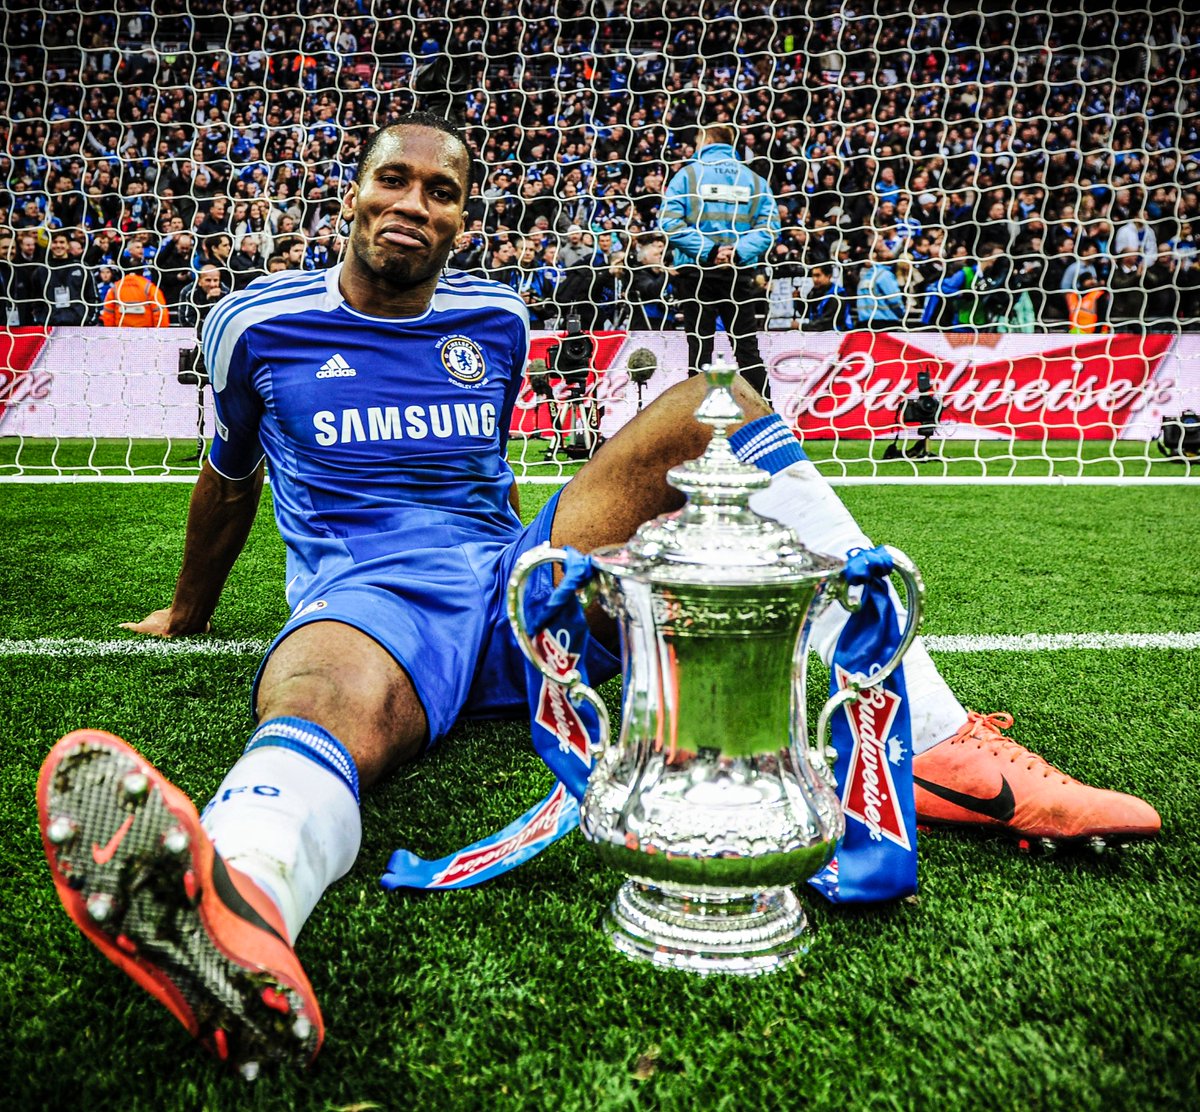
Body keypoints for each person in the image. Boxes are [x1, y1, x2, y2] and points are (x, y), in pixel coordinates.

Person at [38, 115, 1160, 1078]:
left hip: (521, 585)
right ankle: (243, 903)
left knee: (717, 399)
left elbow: (497, 482)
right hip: (371, 600)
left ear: (463, 219)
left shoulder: (495, 320)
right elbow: (228, 475)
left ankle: (935, 737)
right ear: (353, 193)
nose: (414, 203)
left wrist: (583, 552)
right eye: (394, 179)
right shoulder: (256, 322)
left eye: (442, 191)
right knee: (322, 702)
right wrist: (189, 610)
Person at [660, 123, 779, 398]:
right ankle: (768, 415)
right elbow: (770, 228)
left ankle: (697, 417)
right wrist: (737, 252)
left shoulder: (688, 175)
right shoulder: (754, 180)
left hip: (697, 273)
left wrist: (710, 251)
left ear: (706, 139)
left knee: (699, 350)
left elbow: (669, 223)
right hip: (737, 273)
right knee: (747, 350)